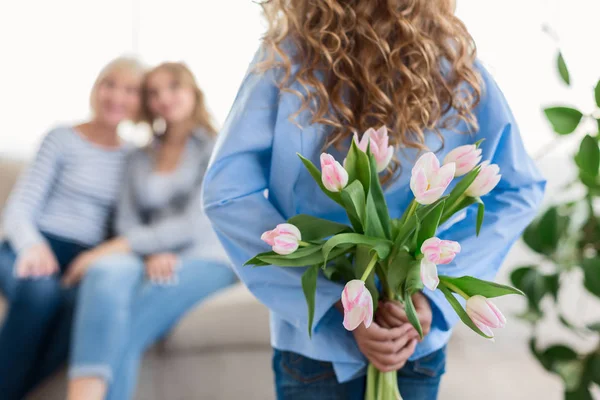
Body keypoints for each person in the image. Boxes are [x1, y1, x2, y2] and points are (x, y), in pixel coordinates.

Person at [202, 0, 546, 399]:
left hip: (326, 342)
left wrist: (338, 302)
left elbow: (227, 195)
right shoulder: (452, 60)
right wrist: (427, 298)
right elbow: (519, 189)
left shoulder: (285, 59)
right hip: (408, 333)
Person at [65, 62, 236, 400]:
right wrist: (152, 250)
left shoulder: (215, 148)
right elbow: (127, 220)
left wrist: (123, 248)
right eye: (154, 92)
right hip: (154, 255)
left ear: (193, 92)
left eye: (174, 87)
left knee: (127, 326)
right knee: (111, 302)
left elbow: (192, 222)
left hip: (209, 258)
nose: (164, 98)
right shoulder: (139, 157)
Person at [0, 57, 144, 399]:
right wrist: (32, 247)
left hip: (83, 257)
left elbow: (131, 225)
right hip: (30, 245)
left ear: (140, 103)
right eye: (109, 84)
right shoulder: (62, 138)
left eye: (129, 90)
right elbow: (20, 207)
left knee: (82, 308)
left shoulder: (134, 158)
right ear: (96, 88)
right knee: (40, 293)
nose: (116, 96)